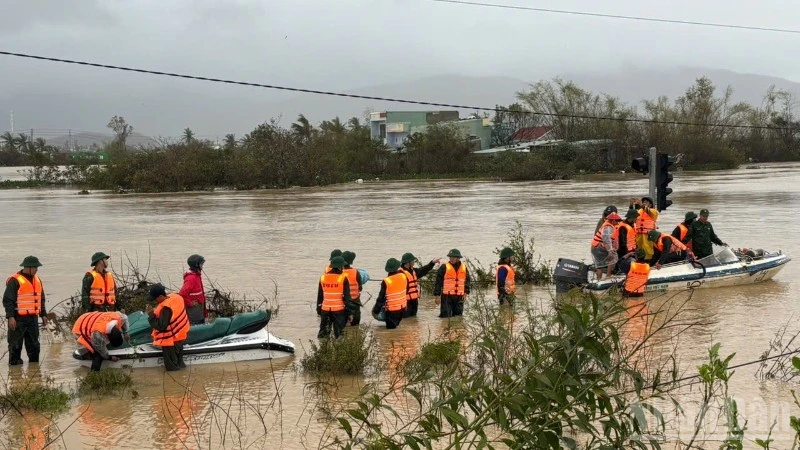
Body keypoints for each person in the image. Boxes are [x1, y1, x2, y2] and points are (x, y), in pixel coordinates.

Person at [4, 256, 48, 366]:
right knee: (15, 346)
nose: (37, 269)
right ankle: (14, 373)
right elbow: (8, 300)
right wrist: (10, 317)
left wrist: (43, 314)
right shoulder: (15, 280)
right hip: (18, 319)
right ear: (27, 267)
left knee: (34, 347)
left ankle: (34, 370)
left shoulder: (37, 280)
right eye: (35, 267)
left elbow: (41, 299)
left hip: (32, 319)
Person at [146, 283, 189, 372]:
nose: (155, 301)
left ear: (161, 296)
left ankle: (174, 383)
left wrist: (151, 315)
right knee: (179, 363)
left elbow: (161, 326)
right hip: (179, 337)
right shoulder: (176, 297)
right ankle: (183, 379)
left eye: (155, 299)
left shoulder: (166, 309)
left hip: (170, 341)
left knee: (172, 367)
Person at [317, 256, 353, 339]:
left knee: (323, 335)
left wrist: (319, 310)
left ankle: (322, 350)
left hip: (325, 310)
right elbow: (347, 298)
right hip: (338, 311)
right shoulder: (343, 278)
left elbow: (320, 296)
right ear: (340, 267)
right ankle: (339, 350)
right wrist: (350, 313)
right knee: (339, 335)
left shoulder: (323, 277)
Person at [433, 249, 471, 318]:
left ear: (458, 258)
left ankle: (456, 329)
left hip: (459, 297)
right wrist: (437, 296)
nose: (452, 259)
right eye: (450, 257)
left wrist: (466, 292)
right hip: (447, 297)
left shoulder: (464, 267)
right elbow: (438, 282)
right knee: (445, 317)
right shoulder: (444, 267)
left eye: (454, 257)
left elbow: (467, 281)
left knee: (458, 317)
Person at [372, 258, 408, 329]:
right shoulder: (403, 276)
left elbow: (381, 298)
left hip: (392, 311)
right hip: (402, 309)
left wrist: (375, 311)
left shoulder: (386, 281)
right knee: (396, 328)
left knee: (391, 331)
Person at [400, 253, 437, 317]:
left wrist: (432, 263)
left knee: (413, 320)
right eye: (412, 261)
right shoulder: (400, 274)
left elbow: (423, 270)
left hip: (414, 301)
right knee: (405, 319)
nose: (414, 262)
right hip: (405, 302)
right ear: (407, 262)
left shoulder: (413, 271)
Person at [591, 212, 622, 280]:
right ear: (613, 221)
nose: (618, 223)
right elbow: (606, 239)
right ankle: (608, 275)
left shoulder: (608, 225)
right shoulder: (608, 227)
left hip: (595, 247)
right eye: (617, 221)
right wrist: (610, 250)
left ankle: (598, 279)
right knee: (613, 258)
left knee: (599, 265)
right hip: (599, 248)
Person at [180, 254, 206, 325]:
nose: (202, 265)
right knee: (196, 326)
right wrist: (190, 303)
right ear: (196, 265)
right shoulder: (191, 278)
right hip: (194, 310)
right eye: (201, 264)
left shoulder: (196, 275)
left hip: (198, 308)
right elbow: (182, 293)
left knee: (200, 325)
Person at [630, 197, 659, 261]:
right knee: (639, 249)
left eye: (646, 202)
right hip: (639, 234)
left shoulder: (654, 211)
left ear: (650, 205)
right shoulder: (639, 211)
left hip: (648, 235)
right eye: (643, 202)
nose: (644, 203)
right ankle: (640, 261)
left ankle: (648, 261)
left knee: (648, 249)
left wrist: (641, 204)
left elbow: (647, 210)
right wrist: (631, 205)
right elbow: (631, 217)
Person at [341, 251, 363, 326]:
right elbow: (360, 287)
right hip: (355, 301)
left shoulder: (340, 273)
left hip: (343, 301)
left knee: (343, 326)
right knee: (355, 325)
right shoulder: (355, 272)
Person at [616, 209, 639, 274]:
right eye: (636, 217)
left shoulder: (633, 225)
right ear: (632, 217)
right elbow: (622, 243)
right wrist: (627, 254)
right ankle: (620, 272)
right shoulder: (623, 227)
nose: (637, 219)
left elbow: (634, 238)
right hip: (624, 251)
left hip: (632, 250)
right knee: (626, 264)